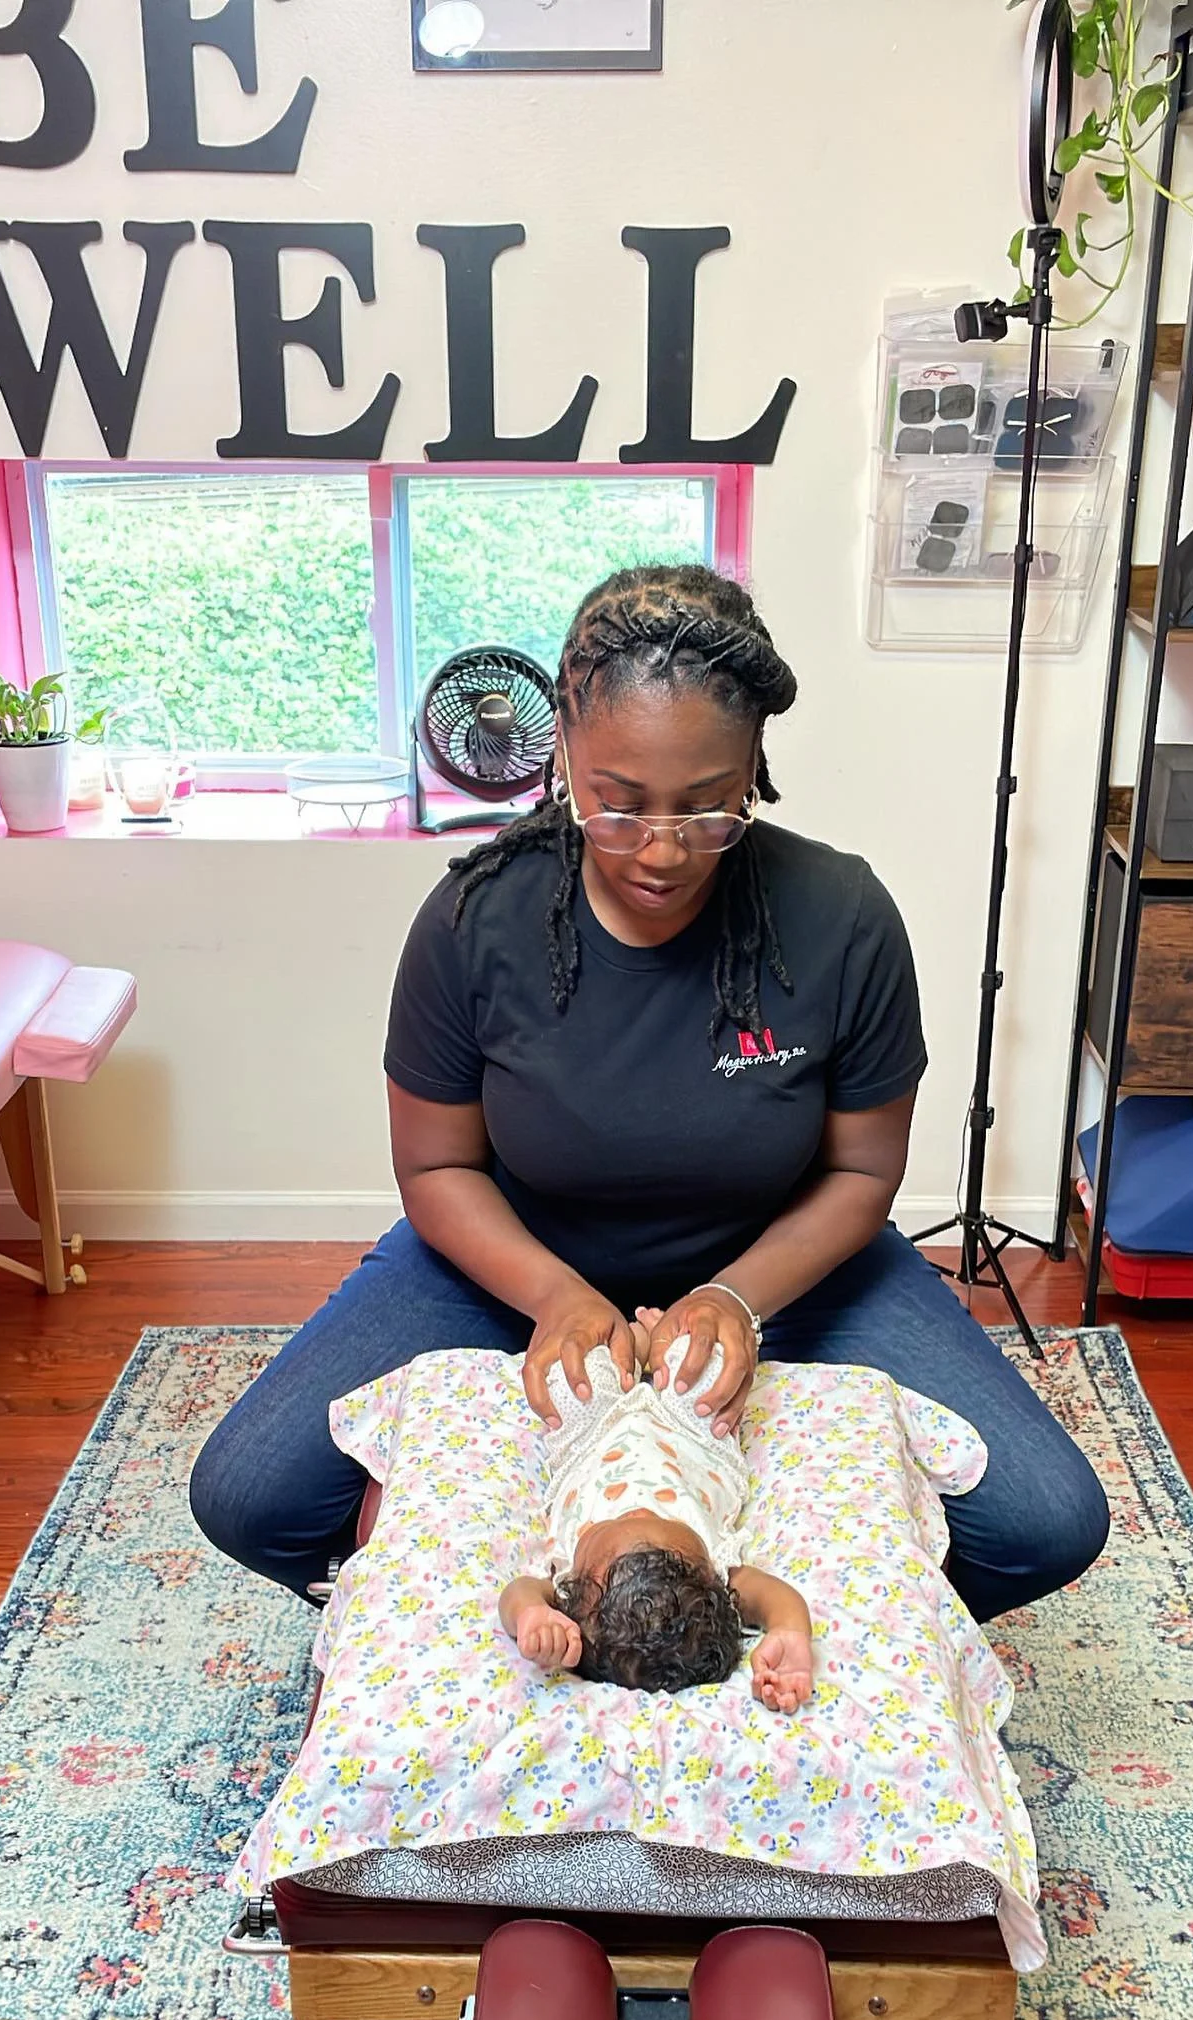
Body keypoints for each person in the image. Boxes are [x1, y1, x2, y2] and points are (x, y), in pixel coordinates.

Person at [190, 562, 1109, 1625]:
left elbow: (864, 1171)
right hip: (518, 1262)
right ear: (565, 760)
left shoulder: (842, 917)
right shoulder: (473, 922)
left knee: (1046, 1518)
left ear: (755, 768)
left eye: (708, 809)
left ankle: (785, 1622)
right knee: (249, 1493)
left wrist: (736, 1300)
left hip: (785, 1270)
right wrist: (555, 1297)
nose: (663, 851)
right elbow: (435, 1166)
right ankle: (479, 1632)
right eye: (617, 807)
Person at [497, 1316, 815, 1710]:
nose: (636, 1512)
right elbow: (774, 1597)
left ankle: (629, 1341)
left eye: (609, 1535)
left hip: (591, 1437)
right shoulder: (718, 1572)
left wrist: (530, 1615)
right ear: (708, 1576)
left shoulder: (567, 1587)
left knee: (571, 1376)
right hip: (695, 1435)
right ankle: (662, 1341)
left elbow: (519, 1591)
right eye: (654, 1528)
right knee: (703, 1366)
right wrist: (789, 1631)